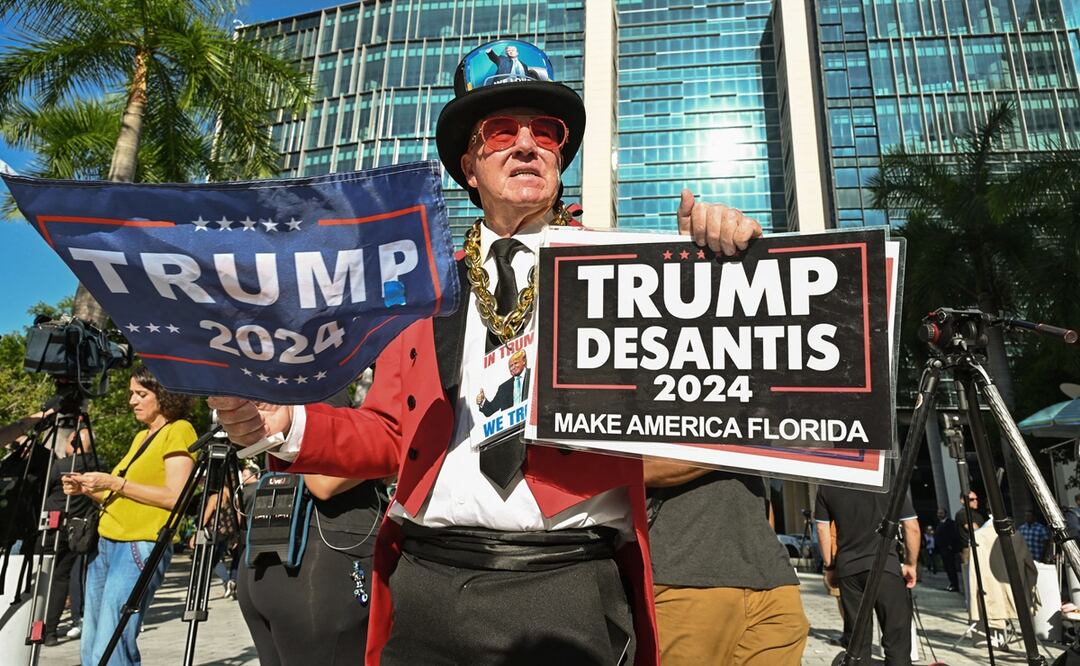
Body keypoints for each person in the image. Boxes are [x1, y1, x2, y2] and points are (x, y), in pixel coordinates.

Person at [210, 37, 760, 666]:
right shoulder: (424, 288)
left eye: (546, 132)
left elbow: (708, 394)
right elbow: (391, 434)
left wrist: (723, 265)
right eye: (501, 130)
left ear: (560, 157)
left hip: (570, 589)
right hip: (426, 585)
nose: (527, 144)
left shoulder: (631, 275)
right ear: (468, 167)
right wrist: (287, 425)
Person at [63, 365, 196, 666]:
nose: (132, 401)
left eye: (141, 394)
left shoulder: (179, 430)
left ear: (164, 395)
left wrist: (113, 482)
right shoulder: (141, 436)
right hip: (107, 542)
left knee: (113, 642)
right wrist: (86, 487)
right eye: (131, 394)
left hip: (138, 544)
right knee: (92, 642)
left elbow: (176, 497)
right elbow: (122, 495)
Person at [645, 465, 807, 665]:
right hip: (686, 575)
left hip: (771, 579)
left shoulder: (748, 437)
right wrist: (731, 440)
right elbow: (634, 468)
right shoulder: (742, 437)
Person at [815, 486, 920, 665]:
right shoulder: (888, 481)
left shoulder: (828, 486)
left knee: (858, 644)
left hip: (849, 569)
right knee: (897, 641)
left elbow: (822, 528)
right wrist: (911, 564)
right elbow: (912, 527)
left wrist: (830, 566)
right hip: (885, 566)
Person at [42, 426, 99, 646]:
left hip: (52, 527)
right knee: (62, 579)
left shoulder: (60, 466)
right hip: (79, 530)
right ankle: (50, 631)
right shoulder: (99, 465)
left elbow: (43, 490)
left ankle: (39, 624)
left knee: (44, 577)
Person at [477, 350, 529, 415]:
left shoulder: (534, 375)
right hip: (512, 424)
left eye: (515, 363)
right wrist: (482, 401)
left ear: (524, 361)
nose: (513, 368)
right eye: (510, 366)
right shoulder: (504, 388)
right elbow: (490, 410)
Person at [934, 507, 962, 592]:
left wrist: (950, 546)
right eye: (938, 513)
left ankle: (955, 585)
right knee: (947, 567)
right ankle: (951, 583)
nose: (939, 515)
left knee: (951, 567)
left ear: (945, 514)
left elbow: (953, 535)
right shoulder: (938, 524)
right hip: (942, 549)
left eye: (941, 513)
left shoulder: (950, 523)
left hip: (949, 549)